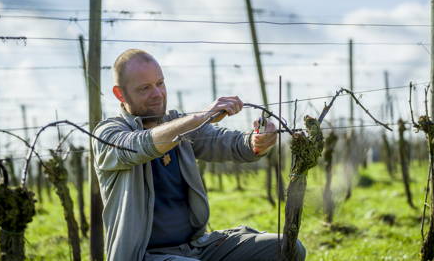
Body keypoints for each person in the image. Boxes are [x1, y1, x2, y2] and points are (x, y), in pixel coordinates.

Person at [92, 49, 306, 261]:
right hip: (144, 256)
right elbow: (139, 145)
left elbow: (227, 142)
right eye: (144, 88)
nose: (157, 94)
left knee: (288, 248)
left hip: (197, 247)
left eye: (160, 83)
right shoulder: (108, 133)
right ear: (120, 94)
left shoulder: (179, 124)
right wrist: (201, 116)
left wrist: (256, 141)